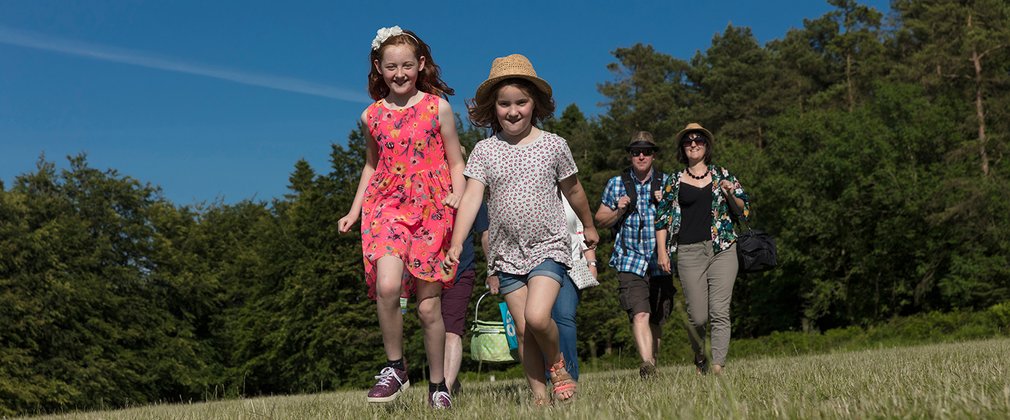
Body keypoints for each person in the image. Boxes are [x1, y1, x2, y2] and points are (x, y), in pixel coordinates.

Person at [444, 53, 598, 405]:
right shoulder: (484, 151)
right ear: (493, 108)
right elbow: (471, 200)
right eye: (504, 104)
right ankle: (540, 399)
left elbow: (574, 189)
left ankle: (558, 365)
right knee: (525, 329)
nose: (513, 111)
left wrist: (588, 224)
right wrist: (456, 242)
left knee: (537, 315)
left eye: (521, 103)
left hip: (548, 245)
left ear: (535, 104)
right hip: (505, 252)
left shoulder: (553, 145)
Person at [337, 25, 465, 409]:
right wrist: (355, 209)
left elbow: (456, 161)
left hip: (432, 208)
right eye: (391, 66)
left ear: (420, 64)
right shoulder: (370, 116)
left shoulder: (437, 107)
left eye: (407, 65)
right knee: (387, 287)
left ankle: (438, 384)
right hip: (386, 204)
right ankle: (395, 367)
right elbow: (371, 165)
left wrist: (457, 195)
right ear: (379, 68)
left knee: (428, 307)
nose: (400, 73)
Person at [655, 123, 750, 376]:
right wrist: (662, 252)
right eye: (688, 141)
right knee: (697, 316)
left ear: (706, 146)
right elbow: (662, 219)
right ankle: (700, 356)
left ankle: (718, 366)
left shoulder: (723, 174)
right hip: (688, 252)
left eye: (698, 140)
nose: (693, 144)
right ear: (682, 148)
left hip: (723, 248)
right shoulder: (674, 181)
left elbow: (743, 209)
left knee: (720, 311)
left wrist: (731, 194)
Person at [593, 131, 675, 379]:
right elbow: (600, 220)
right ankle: (646, 365)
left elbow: (683, 219)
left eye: (646, 151)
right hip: (630, 260)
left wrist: (668, 205)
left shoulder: (667, 182)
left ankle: (652, 364)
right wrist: (619, 210)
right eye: (636, 151)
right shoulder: (616, 184)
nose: (641, 155)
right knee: (640, 313)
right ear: (629, 155)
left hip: (661, 260)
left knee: (657, 319)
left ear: (653, 155)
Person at [440, 151, 490, 396]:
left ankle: (444, 391)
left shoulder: (473, 197)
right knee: (435, 332)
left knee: (452, 330)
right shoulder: (427, 192)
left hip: (461, 270)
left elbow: (485, 234)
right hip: (426, 274)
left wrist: (492, 270)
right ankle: (451, 381)